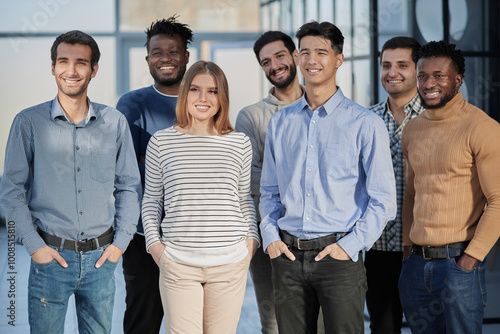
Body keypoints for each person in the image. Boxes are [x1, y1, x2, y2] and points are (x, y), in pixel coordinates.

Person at [259, 21, 396, 333]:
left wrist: (350, 246)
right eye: (304, 52)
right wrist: (270, 238)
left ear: (338, 59)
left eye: (321, 52)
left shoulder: (365, 124)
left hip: (339, 259)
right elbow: (269, 192)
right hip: (288, 257)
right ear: (296, 58)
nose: (312, 60)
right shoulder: (281, 122)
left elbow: (384, 200)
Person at [0, 30, 141, 333]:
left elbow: (129, 187)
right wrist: (34, 245)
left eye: (81, 63)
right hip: (50, 258)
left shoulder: (114, 122)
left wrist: (120, 244)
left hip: (102, 260)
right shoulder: (28, 123)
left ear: (93, 70)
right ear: (53, 67)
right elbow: (11, 190)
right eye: (63, 61)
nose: (72, 71)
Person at [142, 60, 260, 333]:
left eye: (213, 91)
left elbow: (244, 199)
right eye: (195, 89)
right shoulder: (161, 142)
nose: (203, 98)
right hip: (178, 264)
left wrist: (250, 243)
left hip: (230, 262)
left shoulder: (239, 143)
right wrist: (155, 246)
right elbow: (151, 201)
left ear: (222, 97)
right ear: (185, 94)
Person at [399, 40, 500, 333]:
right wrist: (407, 249)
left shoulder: (482, 128)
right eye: (422, 76)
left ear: (457, 80)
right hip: (416, 265)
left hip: (458, 264)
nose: (429, 83)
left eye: (438, 76)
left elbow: (497, 200)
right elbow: (410, 195)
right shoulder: (413, 129)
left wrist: (470, 259)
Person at [115, 16, 192, 334]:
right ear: (147, 58)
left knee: (190, 322)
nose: (165, 59)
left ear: (186, 56)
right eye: (158, 52)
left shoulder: (203, 100)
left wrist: (153, 156)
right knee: (142, 321)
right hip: (142, 237)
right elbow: (123, 167)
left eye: (173, 52)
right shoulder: (133, 103)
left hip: (193, 236)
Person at [235, 30, 305, 334]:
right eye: (266, 62)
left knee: (318, 321)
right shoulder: (251, 116)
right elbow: (251, 178)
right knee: (274, 324)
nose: (274, 65)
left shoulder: (321, 107)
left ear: (295, 56)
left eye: (279, 56)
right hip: (268, 232)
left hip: (318, 234)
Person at [365, 36, 423, 334]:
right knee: (382, 327)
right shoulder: (366, 120)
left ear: (418, 69)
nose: (392, 72)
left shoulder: (433, 118)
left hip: (424, 250)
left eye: (402, 64)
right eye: (386, 65)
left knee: (429, 327)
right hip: (378, 249)